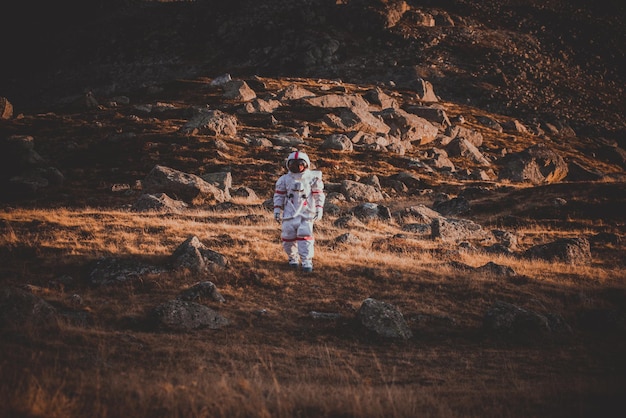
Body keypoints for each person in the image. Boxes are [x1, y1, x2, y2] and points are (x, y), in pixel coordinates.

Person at [273, 150, 325, 272]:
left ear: (306, 164)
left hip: (306, 213)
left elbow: (319, 195)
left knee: (305, 236)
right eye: (293, 165)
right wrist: (276, 209)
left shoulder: (313, 179)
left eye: (300, 164)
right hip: (289, 213)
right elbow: (279, 195)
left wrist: (319, 209)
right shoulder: (284, 179)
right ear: (288, 165)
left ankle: (307, 261)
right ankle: (292, 258)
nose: (297, 167)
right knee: (287, 237)